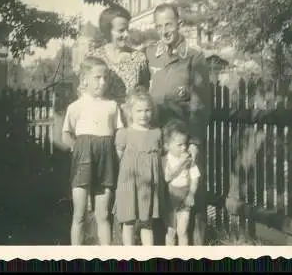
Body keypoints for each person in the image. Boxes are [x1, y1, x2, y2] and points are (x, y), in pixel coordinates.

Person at [145, 3, 212, 245]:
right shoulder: (151, 54)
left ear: (179, 24)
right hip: (157, 138)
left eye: (169, 24)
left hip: (184, 141)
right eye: (159, 26)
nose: (164, 30)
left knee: (190, 196)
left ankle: (196, 249)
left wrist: (194, 142)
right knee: (161, 196)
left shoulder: (193, 57)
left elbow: (200, 104)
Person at [61, 56, 123, 245]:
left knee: (103, 214)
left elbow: (119, 132)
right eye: (97, 77)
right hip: (83, 160)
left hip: (106, 161)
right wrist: (78, 149)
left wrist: (118, 154)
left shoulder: (112, 106)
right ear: (85, 79)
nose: (102, 82)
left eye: (105, 77)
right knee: (79, 214)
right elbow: (66, 134)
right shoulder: (76, 107)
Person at [113, 86, 164, 245]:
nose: (144, 115)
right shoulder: (125, 134)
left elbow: (160, 157)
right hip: (128, 183)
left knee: (146, 223)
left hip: (148, 186)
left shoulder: (156, 132)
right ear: (130, 112)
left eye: (147, 110)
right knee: (128, 222)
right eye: (139, 111)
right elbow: (118, 159)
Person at [87, 4, 150, 107]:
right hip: (102, 118)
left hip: (129, 119)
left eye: (127, 30)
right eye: (121, 30)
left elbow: (144, 93)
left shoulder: (139, 58)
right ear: (108, 31)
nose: (126, 35)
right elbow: (84, 92)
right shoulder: (94, 57)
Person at [162, 119, 201, 246]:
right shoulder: (166, 159)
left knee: (182, 231)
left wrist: (191, 194)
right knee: (170, 232)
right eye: (179, 145)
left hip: (184, 197)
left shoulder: (189, 159)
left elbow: (195, 177)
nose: (184, 147)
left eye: (185, 144)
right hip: (170, 197)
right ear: (167, 145)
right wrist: (181, 163)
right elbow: (167, 177)